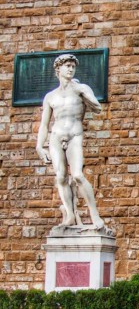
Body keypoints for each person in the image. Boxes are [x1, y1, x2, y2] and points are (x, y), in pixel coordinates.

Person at [36, 54, 104, 229]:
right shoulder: (50, 96)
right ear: (59, 69)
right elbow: (44, 124)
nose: (71, 69)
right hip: (56, 137)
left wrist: (82, 93)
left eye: (73, 66)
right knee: (60, 177)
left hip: (75, 135)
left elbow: (97, 108)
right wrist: (39, 146)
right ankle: (70, 215)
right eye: (67, 65)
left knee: (78, 176)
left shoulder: (82, 88)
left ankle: (94, 215)